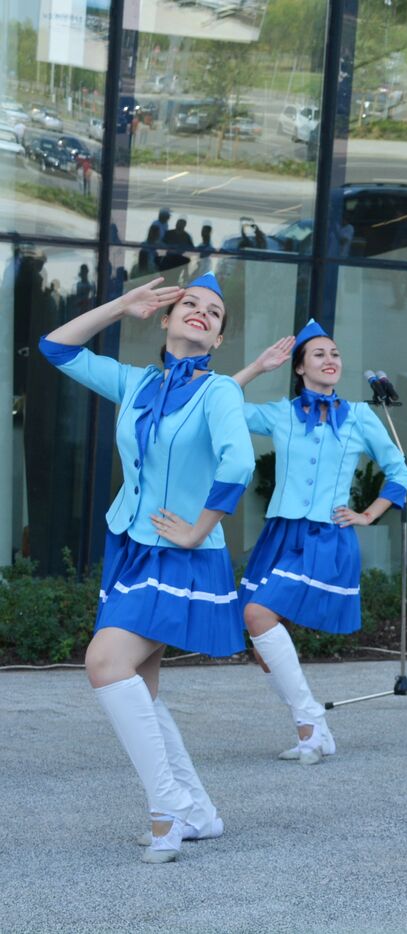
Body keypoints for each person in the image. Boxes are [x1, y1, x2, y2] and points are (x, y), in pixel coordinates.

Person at [38, 272, 255, 863]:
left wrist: (199, 528)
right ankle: (198, 812)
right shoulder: (135, 383)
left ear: (215, 341)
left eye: (214, 314)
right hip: (131, 549)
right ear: (163, 318)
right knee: (144, 688)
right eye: (191, 304)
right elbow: (56, 347)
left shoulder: (220, 394)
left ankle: (167, 813)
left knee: (105, 662)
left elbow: (238, 463)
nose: (203, 314)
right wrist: (120, 305)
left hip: (183, 555)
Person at [232, 321, 407, 764]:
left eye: (334, 354)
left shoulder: (360, 417)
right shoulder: (280, 413)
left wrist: (368, 514)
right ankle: (313, 730)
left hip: (325, 538)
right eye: (318, 354)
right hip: (280, 534)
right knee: (258, 640)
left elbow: (399, 471)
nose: (330, 360)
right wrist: (257, 366)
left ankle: (312, 724)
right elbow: (221, 402)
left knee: (257, 613)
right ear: (298, 368)